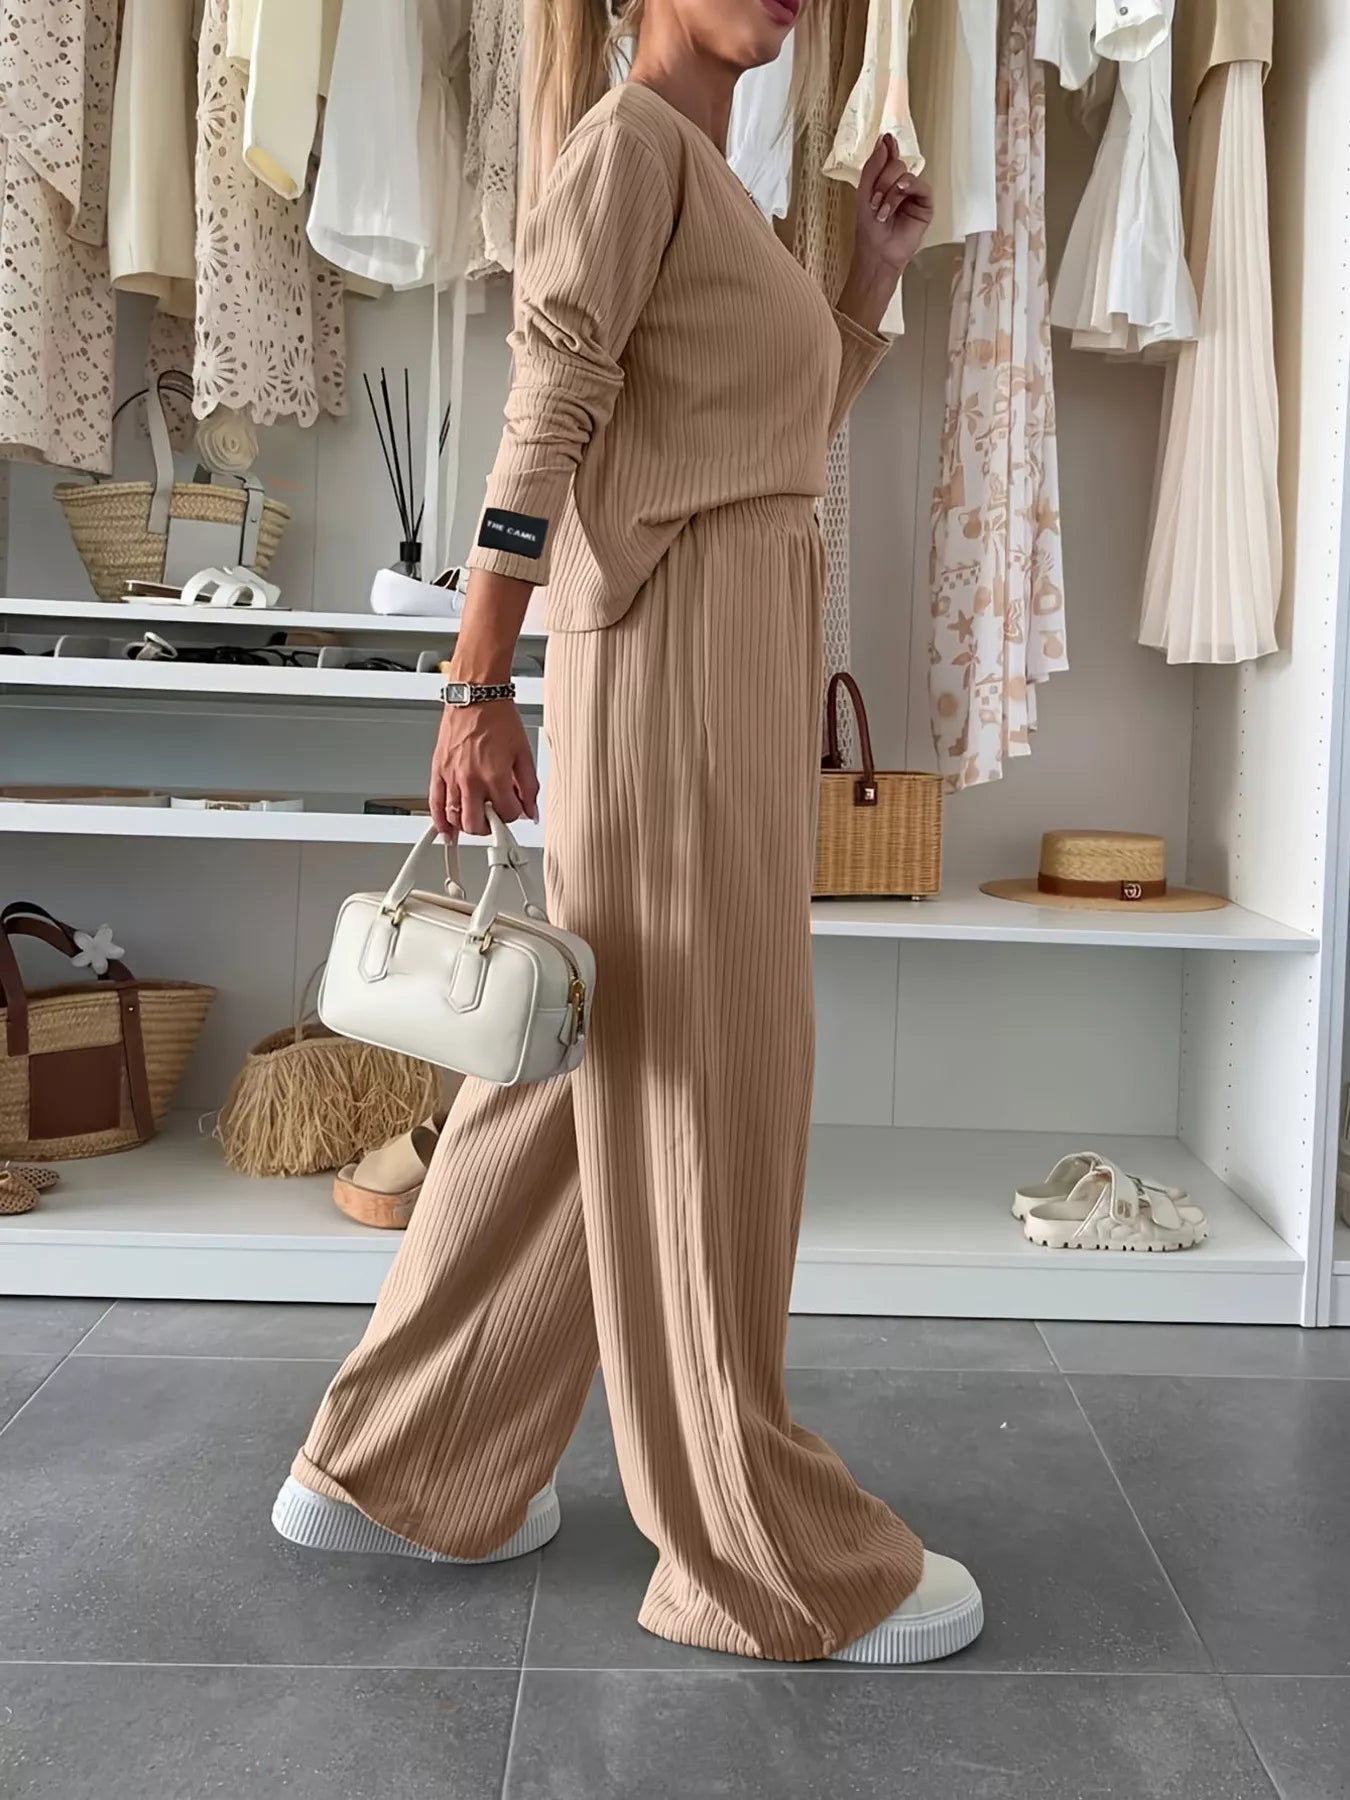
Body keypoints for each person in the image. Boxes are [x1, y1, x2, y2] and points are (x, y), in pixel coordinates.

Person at [273, 0, 984, 1665]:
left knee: (604, 1055)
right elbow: (549, 413)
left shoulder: (718, 181)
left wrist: (862, 292)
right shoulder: (624, 148)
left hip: (718, 648)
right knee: (703, 1077)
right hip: (664, 658)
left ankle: (397, 1464)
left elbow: (742, 440)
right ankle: (746, 1553)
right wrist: (471, 682)